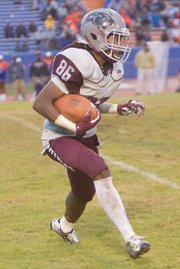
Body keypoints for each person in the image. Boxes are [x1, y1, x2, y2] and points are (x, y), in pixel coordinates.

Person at [33, 8, 150, 259]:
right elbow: (41, 102)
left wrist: (118, 108)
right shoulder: (77, 58)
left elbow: (88, 104)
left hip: (86, 135)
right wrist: (72, 127)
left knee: (84, 193)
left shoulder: (113, 68)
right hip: (59, 135)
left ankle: (64, 226)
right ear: (94, 36)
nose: (119, 44)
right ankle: (131, 238)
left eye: (121, 38)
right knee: (99, 168)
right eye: (113, 37)